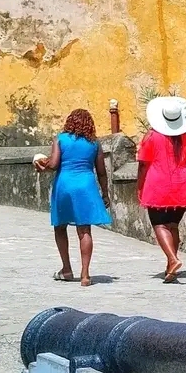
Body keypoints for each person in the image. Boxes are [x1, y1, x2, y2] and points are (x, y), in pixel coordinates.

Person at [35, 109, 111, 287]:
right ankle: (85, 275)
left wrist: (41, 165)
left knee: (60, 227)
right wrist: (105, 193)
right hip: (86, 185)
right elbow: (101, 171)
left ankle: (67, 269)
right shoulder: (94, 144)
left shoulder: (60, 139)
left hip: (65, 185)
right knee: (84, 231)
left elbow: (53, 164)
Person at [137, 97, 186, 283]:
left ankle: (173, 259)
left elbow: (143, 165)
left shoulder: (151, 137)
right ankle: (170, 267)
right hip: (184, 186)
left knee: (159, 225)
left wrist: (140, 187)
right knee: (173, 225)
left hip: (158, 184)